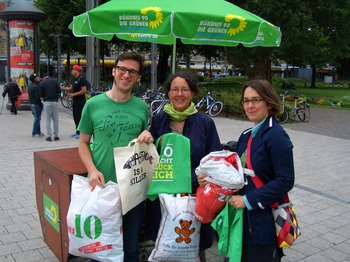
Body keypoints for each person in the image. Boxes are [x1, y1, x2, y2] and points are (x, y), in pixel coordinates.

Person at [202, 80, 294, 262]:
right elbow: (236, 171)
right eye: (246, 101)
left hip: (263, 221)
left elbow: (285, 180)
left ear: (269, 102)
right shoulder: (246, 135)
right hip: (242, 217)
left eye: (256, 100)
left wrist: (248, 200)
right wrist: (211, 178)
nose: (250, 105)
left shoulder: (277, 136)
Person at [77, 52, 153, 262]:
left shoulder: (141, 107)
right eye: (122, 69)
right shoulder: (93, 105)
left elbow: (140, 144)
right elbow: (83, 143)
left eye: (133, 72)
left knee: (130, 248)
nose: (126, 75)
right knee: (101, 249)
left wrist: (146, 137)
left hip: (133, 190)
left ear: (138, 77)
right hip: (103, 188)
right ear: (114, 71)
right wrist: (92, 170)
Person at [145, 70, 222, 261]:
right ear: (168, 94)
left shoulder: (205, 123)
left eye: (184, 90)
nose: (179, 94)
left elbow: (216, 159)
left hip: (194, 198)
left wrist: (207, 176)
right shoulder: (158, 120)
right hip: (164, 199)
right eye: (175, 90)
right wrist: (145, 139)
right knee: (166, 245)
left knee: (193, 250)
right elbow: (152, 155)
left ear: (193, 93)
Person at [61, 65, 87, 139]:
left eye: (73, 70)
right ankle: (77, 131)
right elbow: (70, 88)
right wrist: (62, 88)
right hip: (75, 101)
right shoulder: (74, 79)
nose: (72, 71)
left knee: (79, 116)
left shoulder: (81, 79)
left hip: (80, 101)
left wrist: (73, 94)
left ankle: (81, 133)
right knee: (75, 116)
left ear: (76, 71)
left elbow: (84, 90)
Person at [40, 74, 60, 142]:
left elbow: (41, 94)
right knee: (56, 120)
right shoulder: (55, 81)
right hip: (55, 102)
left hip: (47, 102)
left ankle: (49, 136)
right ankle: (56, 136)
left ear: (44, 77)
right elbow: (59, 91)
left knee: (48, 120)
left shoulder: (42, 83)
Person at [28, 73, 44, 138]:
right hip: (36, 104)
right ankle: (34, 133)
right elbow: (37, 97)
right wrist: (41, 104)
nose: (38, 78)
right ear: (34, 79)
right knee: (37, 119)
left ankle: (38, 131)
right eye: (37, 77)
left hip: (32, 103)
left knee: (37, 118)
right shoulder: (36, 86)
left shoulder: (30, 86)